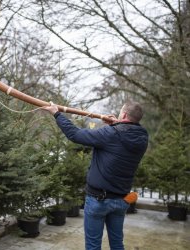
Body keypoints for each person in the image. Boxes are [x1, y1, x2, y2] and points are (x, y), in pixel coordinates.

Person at [42, 101, 148, 250]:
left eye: (120, 112)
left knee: (93, 246)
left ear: (123, 114)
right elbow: (123, 135)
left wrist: (57, 114)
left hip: (99, 201)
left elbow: (75, 134)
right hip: (121, 201)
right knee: (117, 244)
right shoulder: (142, 137)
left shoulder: (111, 134)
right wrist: (114, 125)